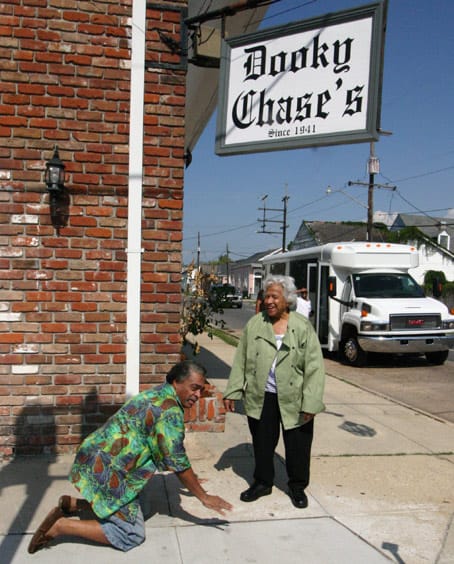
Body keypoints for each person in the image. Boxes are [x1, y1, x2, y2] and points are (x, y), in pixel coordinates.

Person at [28, 360, 232, 554]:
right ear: (176, 382)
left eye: (200, 390)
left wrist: (193, 479)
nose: (197, 394)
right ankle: (61, 526)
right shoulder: (169, 412)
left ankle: (73, 505)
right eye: (193, 387)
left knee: (144, 506)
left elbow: (174, 454)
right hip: (108, 471)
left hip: (94, 454)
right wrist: (203, 496)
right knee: (131, 534)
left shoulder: (159, 392)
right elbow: (177, 461)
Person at [223, 275, 325, 509]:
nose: (268, 301)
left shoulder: (301, 326)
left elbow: (315, 367)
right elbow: (241, 359)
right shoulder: (256, 324)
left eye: (274, 296)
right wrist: (233, 390)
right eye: (266, 296)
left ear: (287, 299)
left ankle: (297, 487)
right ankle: (263, 482)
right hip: (263, 395)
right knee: (262, 443)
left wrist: (311, 402)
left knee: (298, 446)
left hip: (295, 397)